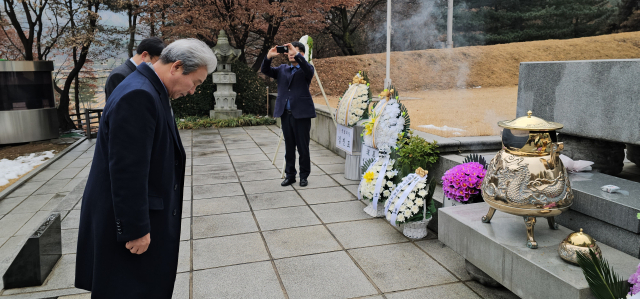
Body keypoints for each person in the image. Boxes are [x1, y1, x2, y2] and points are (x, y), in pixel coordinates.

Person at [75, 38, 216, 298]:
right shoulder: (140, 94)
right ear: (176, 67)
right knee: (128, 289)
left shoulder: (147, 87)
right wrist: (136, 229)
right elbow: (127, 169)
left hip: (136, 214)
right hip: (130, 227)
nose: (194, 91)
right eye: (195, 82)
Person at [261, 41, 316, 187]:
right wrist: (268, 57)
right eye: (289, 51)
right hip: (286, 114)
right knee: (289, 147)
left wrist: (297, 54)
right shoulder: (282, 69)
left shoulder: (306, 69)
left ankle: (304, 176)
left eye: (295, 51)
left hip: (302, 114)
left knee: (303, 147)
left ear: (301, 54)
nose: (291, 54)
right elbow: (265, 70)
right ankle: (290, 175)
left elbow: (308, 69)